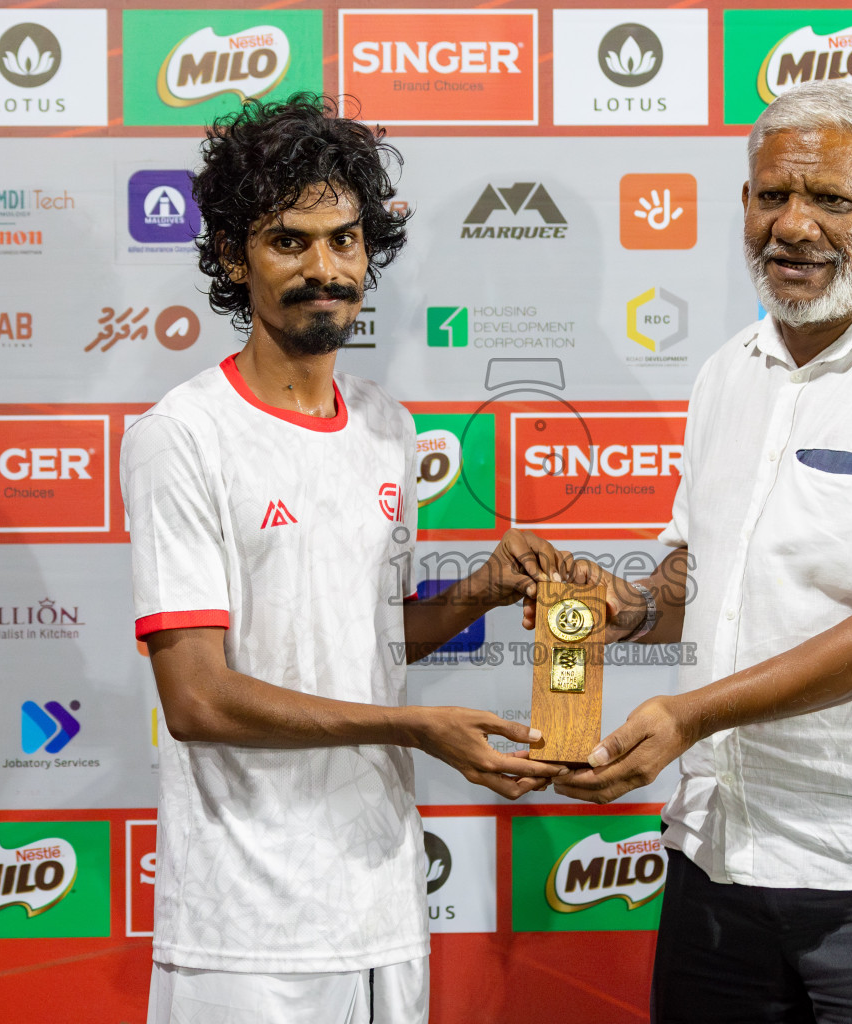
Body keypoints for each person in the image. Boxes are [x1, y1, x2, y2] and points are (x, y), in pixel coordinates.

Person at [554, 81, 852, 1023]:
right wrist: (635, 608)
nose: (794, 226)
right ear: (743, 204)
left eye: (831, 199)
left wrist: (689, 714)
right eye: (772, 196)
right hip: (719, 859)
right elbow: (706, 573)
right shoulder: (728, 371)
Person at [120, 95, 566, 1024]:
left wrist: (482, 589)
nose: (325, 269)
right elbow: (196, 698)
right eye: (290, 242)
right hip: (246, 927)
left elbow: (369, 639)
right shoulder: (185, 435)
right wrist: (413, 730)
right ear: (235, 259)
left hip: (382, 900)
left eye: (345, 240)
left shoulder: (386, 426)